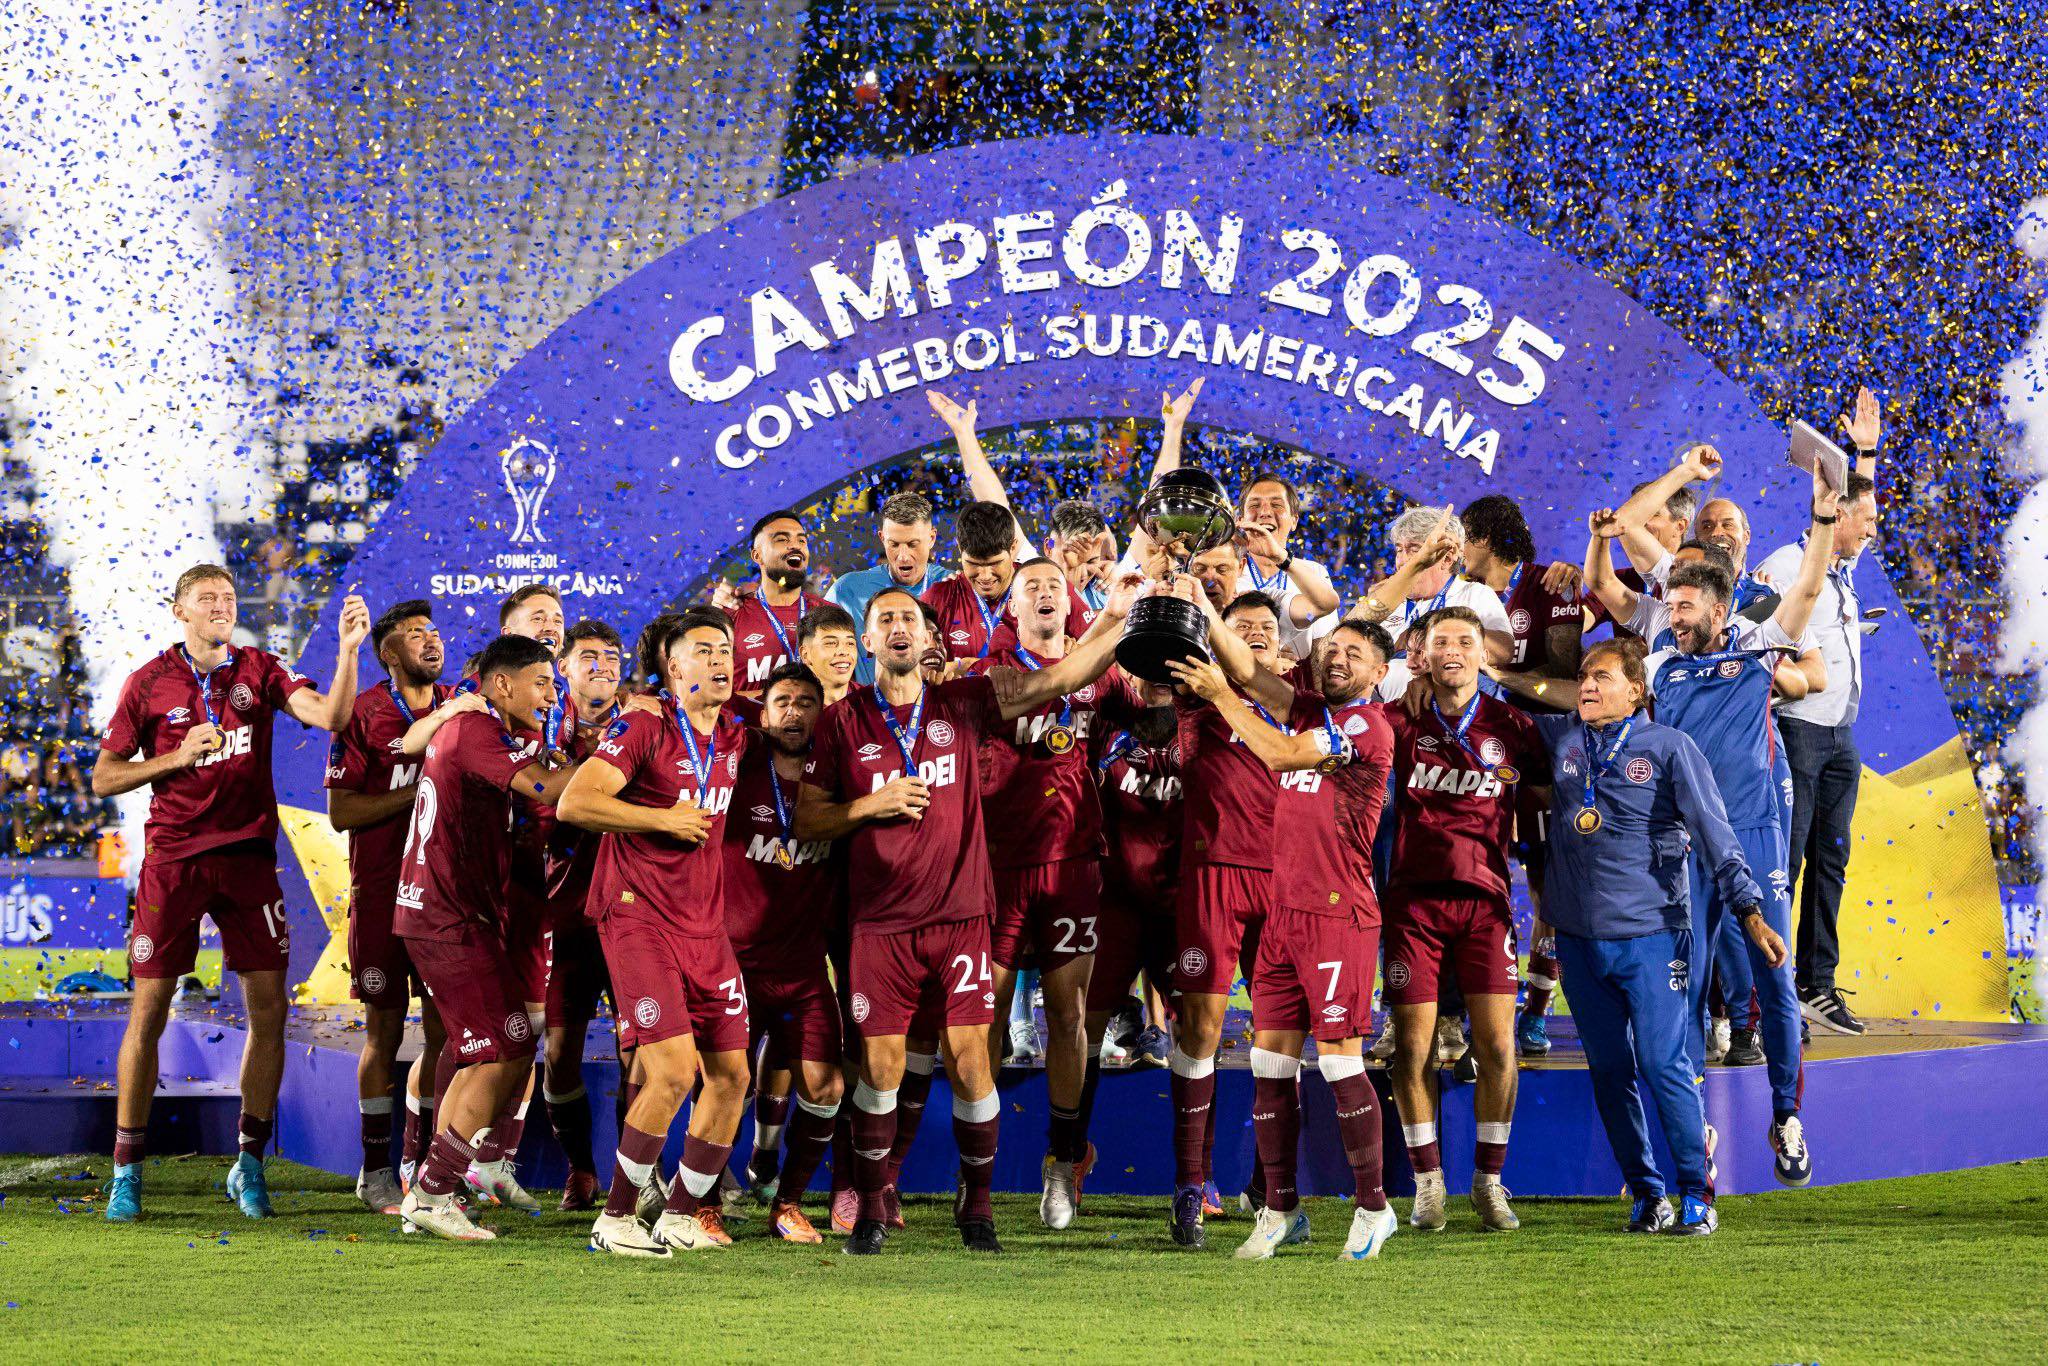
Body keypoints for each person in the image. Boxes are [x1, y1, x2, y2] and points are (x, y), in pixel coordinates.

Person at [793, 575, 1140, 1256]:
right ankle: (868, 1210)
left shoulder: (967, 699)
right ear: (868, 641)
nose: (898, 627)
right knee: (882, 1068)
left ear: (928, 639)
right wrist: (873, 805)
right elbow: (808, 817)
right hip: (881, 924)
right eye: (884, 618)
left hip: (961, 917)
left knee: (971, 1061)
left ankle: (975, 1210)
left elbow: (1063, 675)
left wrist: (1121, 618)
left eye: (909, 619)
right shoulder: (840, 721)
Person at [94, 565, 367, 1223]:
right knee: (151, 1007)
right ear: (180, 611)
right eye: (206, 599)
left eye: (228, 598)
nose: (221, 606)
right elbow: (105, 778)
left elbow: (330, 714)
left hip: (247, 859)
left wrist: (350, 653)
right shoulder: (149, 683)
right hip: (174, 861)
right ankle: (126, 1172)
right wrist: (175, 758)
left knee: (269, 1008)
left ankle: (248, 1164)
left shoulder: (260, 669)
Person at [1587, 473, 1837, 1187]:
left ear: (1721, 608)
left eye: (1690, 608)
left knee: (1775, 977)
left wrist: (1822, 516)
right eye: (1674, 605)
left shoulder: (1758, 644)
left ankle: (1786, 1115)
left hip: (1753, 835)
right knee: (1685, 986)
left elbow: (1809, 590)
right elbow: (1612, 600)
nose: (1678, 617)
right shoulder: (1658, 656)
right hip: (1682, 848)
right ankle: (1694, 1120)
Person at [1536, 641, 1785, 1236]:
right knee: (1609, 1069)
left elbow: (1716, 833)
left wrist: (1749, 912)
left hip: (1652, 937)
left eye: (1601, 678)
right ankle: (1649, 1196)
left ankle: (1698, 1195)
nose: (1588, 687)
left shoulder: (1671, 748)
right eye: (1583, 678)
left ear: (1636, 690)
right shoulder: (1563, 740)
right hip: (1578, 940)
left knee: (1663, 1063)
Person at [1168, 630, 1400, 1263]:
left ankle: (1373, 1211)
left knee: (1339, 1064)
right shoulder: (1308, 707)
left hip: (1338, 917)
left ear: (1380, 672)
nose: (1339, 658)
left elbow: (1276, 754)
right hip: (1283, 917)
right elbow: (1247, 667)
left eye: (1356, 653)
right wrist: (1208, 609)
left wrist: (1220, 695)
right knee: (1268, 1066)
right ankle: (1281, 1208)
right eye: (1332, 648)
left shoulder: (1367, 728)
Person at [558, 607, 754, 1257]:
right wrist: (660, 821)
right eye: (703, 650)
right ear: (673, 668)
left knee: (730, 1077)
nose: (720, 659)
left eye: (725, 649)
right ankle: (615, 1219)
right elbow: (576, 802)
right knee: (672, 1071)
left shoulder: (735, 729)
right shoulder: (646, 722)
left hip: (705, 924)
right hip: (637, 912)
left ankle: (679, 1214)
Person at [968, 557, 1144, 1229]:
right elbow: (1061, 679)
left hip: (1072, 868)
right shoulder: (991, 671)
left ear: (1070, 604)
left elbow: (1155, 710)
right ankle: (975, 1171)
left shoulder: (1103, 678)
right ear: (1010, 610)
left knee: (1068, 1019)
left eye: (1052, 586)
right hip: (997, 868)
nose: (1043, 593)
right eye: (1028, 588)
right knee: (983, 1018)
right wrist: (1113, 623)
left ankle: (1063, 1162)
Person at [392, 633, 585, 1242]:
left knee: (501, 1047)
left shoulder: (489, 729)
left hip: (454, 914)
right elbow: (545, 791)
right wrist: (615, 766)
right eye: (543, 683)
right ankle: (429, 1191)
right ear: (502, 685)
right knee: (500, 1050)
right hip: (446, 918)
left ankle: (437, 1185)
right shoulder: (475, 730)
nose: (552, 697)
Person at [1383, 607, 1552, 1232]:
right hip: (1413, 906)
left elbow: (1539, 808)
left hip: (1485, 906)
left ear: (1485, 655)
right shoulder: (1399, 720)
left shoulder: (1513, 726)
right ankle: (1429, 1184)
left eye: (1465, 640)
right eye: (1440, 641)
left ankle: (1488, 1182)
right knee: (1413, 1046)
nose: (1453, 649)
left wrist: (1548, 884)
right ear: (1422, 654)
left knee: (1498, 1044)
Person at [1757, 400, 1883, 1036]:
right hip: (1799, 733)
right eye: (1866, 521)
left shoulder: (1844, 569)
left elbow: (1855, 500)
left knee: (1831, 860)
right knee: (1791, 860)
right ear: (1837, 519)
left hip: (1839, 738)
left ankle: (1817, 986)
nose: (1871, 532)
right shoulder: (1787, 565)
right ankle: (1773, 992)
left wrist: (1864, 454)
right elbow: (1760, 635)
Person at [324, 598, 454, 1214]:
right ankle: (375, 1170)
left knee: (440, 1034)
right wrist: (418, 799)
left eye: (433, 631)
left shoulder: (461, 706)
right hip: (380, 897)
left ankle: (422, 1163)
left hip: (443, 899)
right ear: (388, 653)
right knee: (381, 1033)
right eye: (413, 635)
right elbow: (342, 812)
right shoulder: (365, 714)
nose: (430, 641)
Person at [719, 663, 844, 1243]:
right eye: (783, 702)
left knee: (825, 1087)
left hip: (803, 970)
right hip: (734, 964)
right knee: (724, 1084)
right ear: (764, 713)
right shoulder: (739, 766)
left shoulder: (839, 783)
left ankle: (787, 1204)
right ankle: (707, 1194)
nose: (794, 712)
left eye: (806, 702)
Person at [1456, 494, 1582, 1057]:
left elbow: (1563, 667)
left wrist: (1505, 675)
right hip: (1475, 752)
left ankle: (1534, 1009)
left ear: (1481, 537)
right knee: (1479, 878)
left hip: (1544, 750)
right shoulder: (1456, 594)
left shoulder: (1546, 584)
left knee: (1546, 887)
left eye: (1462, 533)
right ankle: (1472, 1003)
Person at [540, 619, 626, 1211]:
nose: (601, 665)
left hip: (632, 916)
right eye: (588, 655)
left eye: (611, 656)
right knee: (560, 1054)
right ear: (564, 666)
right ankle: (580, 1169)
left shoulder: (647, 722)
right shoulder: (539, 724)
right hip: (564, 915)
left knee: (640, 1051)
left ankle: (630, 1174)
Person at [1347, 506, 1512, 697]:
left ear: (1447, 559)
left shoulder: (1474, 594)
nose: (1401, 561)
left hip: (1447, 715)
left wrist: (1429, 631)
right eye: (1399, 550)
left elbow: (1503, 650)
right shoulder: (1389, 601)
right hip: (1383, 712)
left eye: (1414, 550)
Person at [923, 500, 1092, 661]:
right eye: (973, 564)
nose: (985, 576)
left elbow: (1099, 647)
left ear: (1013, 548)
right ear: (960, 547)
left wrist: (1077, 652)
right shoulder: (939, 598)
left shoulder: (1049, 588)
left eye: (995, 563)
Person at [821, 490, 947, 684]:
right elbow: (816, 651)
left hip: (937, 710)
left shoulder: (953, 587)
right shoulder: (847, 590)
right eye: (894, 544)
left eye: (913, 544)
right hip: (872, 710)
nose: (903, 556)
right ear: (881, 538)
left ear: (931, 538)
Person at [717, 510, 823, 696]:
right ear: (757, 555)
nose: (794, 546)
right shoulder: (730, 615)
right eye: (782, 540)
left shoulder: (828, 613)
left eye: (801, 540)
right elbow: (708, 692)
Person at [799, 604, 860, 705]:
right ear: (805, 654)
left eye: (850, 643)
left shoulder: (875, 702)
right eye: (831, 643)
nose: (843, 651)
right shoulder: (788, 708)